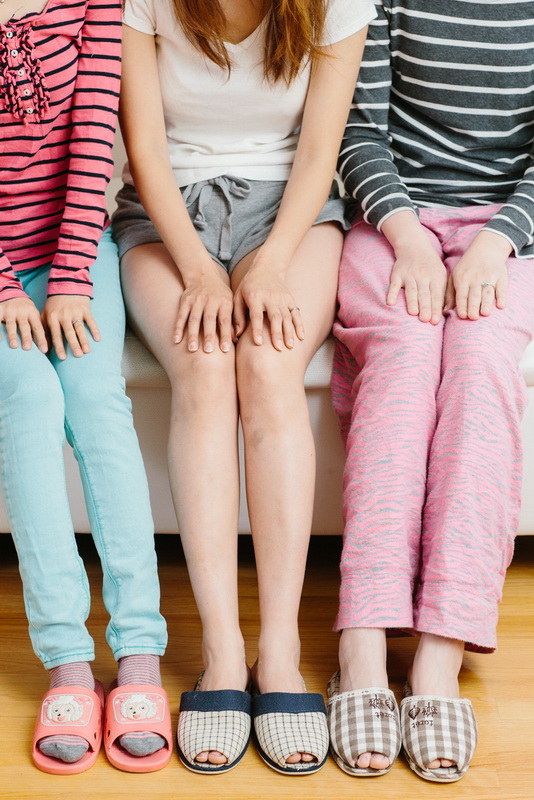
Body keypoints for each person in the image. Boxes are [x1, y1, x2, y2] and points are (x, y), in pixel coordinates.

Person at [112, 0, 374, 776]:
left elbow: (319, 152)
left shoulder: (335, 4)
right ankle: (222, 653)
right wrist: (199, 269)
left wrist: (271, 261)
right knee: (202, 366)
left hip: (291, 213)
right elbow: (145, 148)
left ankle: (280, 652)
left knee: (266, 364)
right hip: (165, 215)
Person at [327, 0, 534, 783]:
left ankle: (439, 658)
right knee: (406, 362)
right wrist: (407, 235)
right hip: (395, 222)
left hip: (511, 236)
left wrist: (498, 241)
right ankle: (363, 644)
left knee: (480, 371)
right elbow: (357, 129)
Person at [0, 0, 171, 775]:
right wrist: (5, 287)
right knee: (30, 401)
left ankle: (139, 655)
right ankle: (67, 663)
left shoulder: (97, 3)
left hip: (74, 253)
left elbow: (95, 139)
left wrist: (70, 275)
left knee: (97, 401)